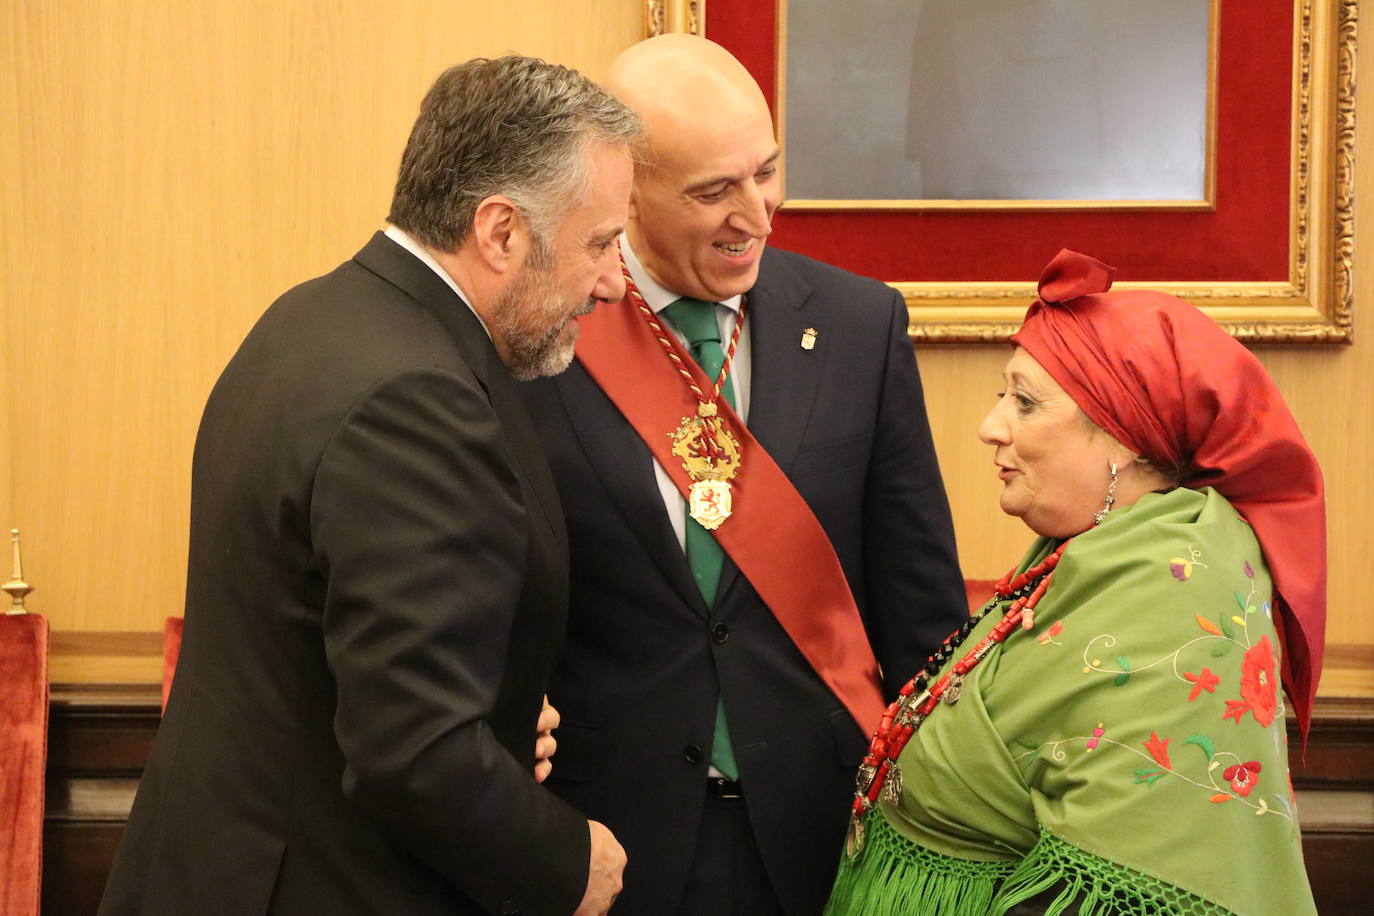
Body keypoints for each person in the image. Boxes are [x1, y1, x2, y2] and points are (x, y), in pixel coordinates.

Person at [99, 56, 641, 916]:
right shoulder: (416, 398)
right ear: (500, 232)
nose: (615, 281)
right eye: (601, 243)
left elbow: (333, 648)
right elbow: (413, 753)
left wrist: (493, 711)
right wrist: (566, 861)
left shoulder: (315, 317)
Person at [520, 34, 967, 916]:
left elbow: (922, 611)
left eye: (765, 172)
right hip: (604, 843)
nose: (757, 215)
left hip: (821, 837)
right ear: (626, 188)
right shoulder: (543, 336)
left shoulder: (857, 325)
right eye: (713, 191)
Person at [827, 249, 1324, 915]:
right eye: (1003, 394)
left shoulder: (1175, 589)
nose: (991, 425)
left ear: (1125, 437)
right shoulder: (1088, 557)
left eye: (1025, 402)